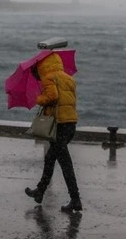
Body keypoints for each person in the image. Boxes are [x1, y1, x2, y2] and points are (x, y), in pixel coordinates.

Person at [25, 53, 82, 212]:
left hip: (59, 125)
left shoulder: (49, 77)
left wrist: (39, 99)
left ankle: (73, 199)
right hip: (70, 123)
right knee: (57, 160)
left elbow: (52, 96)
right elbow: (68, 100)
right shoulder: (68, 78)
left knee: (58, 160)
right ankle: (41, 192)